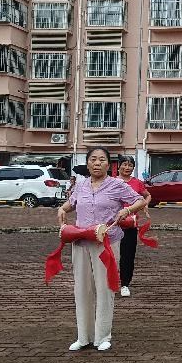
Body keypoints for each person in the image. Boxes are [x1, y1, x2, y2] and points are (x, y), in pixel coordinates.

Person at [57, 148, 146, 352]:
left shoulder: (117, 185)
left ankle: (103, 336)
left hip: (106, 242)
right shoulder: (81, 185)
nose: (97, 163)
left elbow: (140, 200)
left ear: (109, 165)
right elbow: (71, 203)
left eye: (102, 160)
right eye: (93, 159)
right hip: (80, 240)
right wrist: (62, 209)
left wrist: (127, 210)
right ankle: (83, 336)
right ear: (87, 163)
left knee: (105, 287)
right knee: (82, 288)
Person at [116, 155, 152, 298]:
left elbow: (147, 195)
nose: (127, 167)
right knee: (111, 254)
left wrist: (145, 205)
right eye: (124, 164)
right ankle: (110, 281)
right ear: (119, 166)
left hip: (130, 224)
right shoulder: (111, 181)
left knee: (128, 255)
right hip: (113, 224)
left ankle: (125, 284)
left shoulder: (137, 183)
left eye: (130, 165)